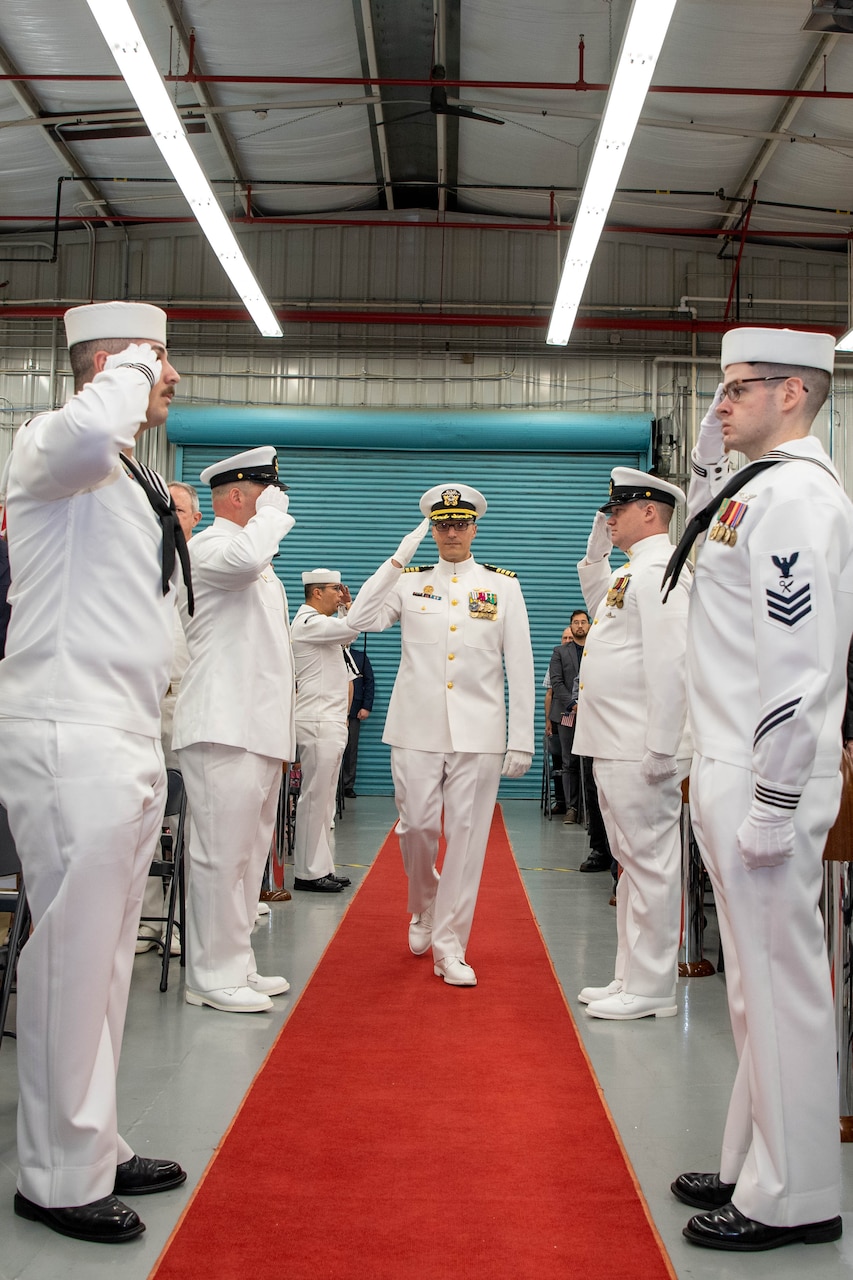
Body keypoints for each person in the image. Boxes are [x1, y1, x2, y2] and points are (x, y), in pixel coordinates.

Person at [0, 301, 189, 1243]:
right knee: (71, 960)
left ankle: (95, 1140)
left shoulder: (123, 473)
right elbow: (86, 428)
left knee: (107, 962)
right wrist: (125, 367)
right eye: (162, 361)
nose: (173, 379)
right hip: (69, 729)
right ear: (112, 364)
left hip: (123, 728)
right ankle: (55, 1174)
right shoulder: (50, 445)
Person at [667, 328, 853, 1251]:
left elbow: (797, 665)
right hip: (732, 760)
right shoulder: (753, 491)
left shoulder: (794, 502)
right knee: (752, 986)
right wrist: (708, 458)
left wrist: (776, 800)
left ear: (793, 394)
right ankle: (753, 1159)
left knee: (781, 988)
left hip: (762, 769)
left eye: (738, 391)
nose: (720, 405)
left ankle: (797, 1196)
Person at [358, 483, 535, 987]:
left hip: (479, 733)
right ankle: (424, 904)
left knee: (467, 840)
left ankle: (450, 945)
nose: (451, 532)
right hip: (415, 728)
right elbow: (360, 619)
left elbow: (519, 664)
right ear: (432, 529)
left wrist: (520, 736)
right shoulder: (409, 582)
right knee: (416, 827)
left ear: (475, 528)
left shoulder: (502, 586)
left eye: (460, 524)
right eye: (442, 525)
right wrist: (398, 558)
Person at [172, 446, 296, 1014]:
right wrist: (271, 516)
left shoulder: (255, 559)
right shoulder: (212, 546)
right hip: (222, 726)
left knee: (247, 856)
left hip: (259, 729)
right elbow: (246, 560)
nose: (279, 500)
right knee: (220, 857)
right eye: (269, 491)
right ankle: (209, 975)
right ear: (242, 494)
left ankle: (236, 962)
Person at [573, 467, 692, 1021]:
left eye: (617, 511)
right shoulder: (631, 573)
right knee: (630, 862)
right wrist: (598, 546)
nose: (609, 518)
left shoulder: (661, 570)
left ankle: (651, 987)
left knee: (649, 865)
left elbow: (673, 662)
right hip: (615, 741)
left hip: (641, 745)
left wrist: (664, 746)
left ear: (651, 512)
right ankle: (630, 975)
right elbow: (597, 595)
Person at [291, 548, 417, 893]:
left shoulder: (323, 625)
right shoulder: (308, 623)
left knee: (326, 801)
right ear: (317, 592)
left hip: (330, 721)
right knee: (315, 799)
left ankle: (320, 867)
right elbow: (352, 628)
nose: (341, 593)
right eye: (336, 589)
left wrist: (346, 607)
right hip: (317, 721)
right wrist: (352, 608)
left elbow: (348, 633)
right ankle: (307, 872)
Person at [136, 481, 201, 956]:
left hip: (184, 707)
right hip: (141, 708)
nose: (167, 516)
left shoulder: (207, 563)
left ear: (194, 518)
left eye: (176, 509)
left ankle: (180, 920)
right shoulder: (143, 558)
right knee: (139, 818)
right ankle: (145, 920)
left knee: (183, 823)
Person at [548, 611, 589, 823]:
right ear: (571, 626)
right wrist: (573, 704)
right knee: (569, 761)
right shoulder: (559, 652)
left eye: (583, 622)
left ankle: (590, 809)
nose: (580, 626)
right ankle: (572, 808)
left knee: (591, 761)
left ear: (590, 626)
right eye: (576, 623)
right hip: (567, 714)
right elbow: (556, 683)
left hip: (593, 714)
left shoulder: (599, 650)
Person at [341, 639, 374, 798]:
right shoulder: (329, 654)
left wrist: (366, 706)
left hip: (354, 711)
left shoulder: (360, 657)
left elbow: (369, 682)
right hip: (332, 709)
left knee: (351, 749)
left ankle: (348, 785)